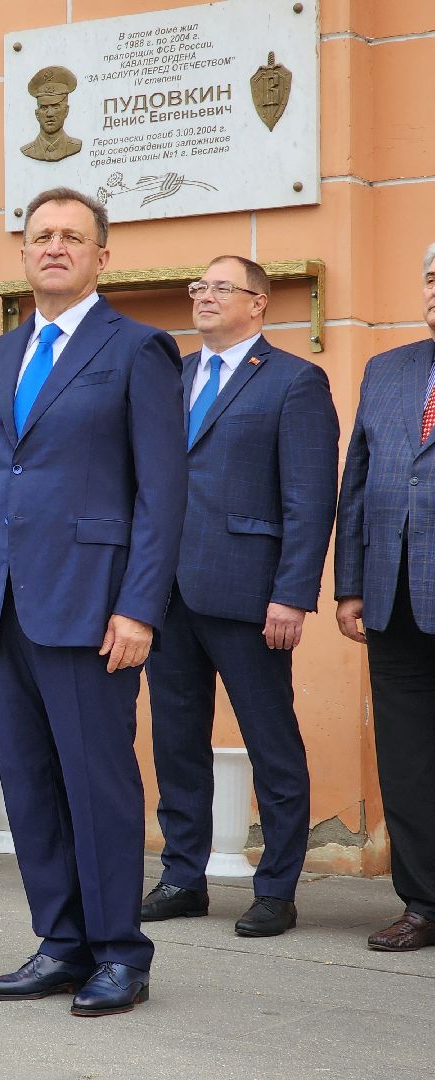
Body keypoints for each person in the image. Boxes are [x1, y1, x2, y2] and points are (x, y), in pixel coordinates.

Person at [0, 187, 185, 1017]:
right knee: (32, 786)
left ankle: (120, 952)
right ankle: (61, 942)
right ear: (22, 254)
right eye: (40, 235)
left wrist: (140, 608)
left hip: (91, 606)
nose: (53, 247)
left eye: (72, 237)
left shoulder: (138, 350)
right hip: (0, 606)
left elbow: (162, 492)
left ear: (101, 255)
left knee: (96, 784)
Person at [142, 257, 338, 938]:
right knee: (176, 742)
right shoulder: (173, 378)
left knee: (270, 741)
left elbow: (310, 499)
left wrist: (292, 594)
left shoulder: (293, 381)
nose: (203, 297)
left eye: (220, 287)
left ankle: (277, 888)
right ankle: (182, 877)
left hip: (250, 595)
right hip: (167, 593)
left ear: (259, 304)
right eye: (197, 287)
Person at [334, 242, 435, 952]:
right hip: (394, 598)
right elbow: (357, 483)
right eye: (431, 277)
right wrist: (348, 586)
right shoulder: (387, 370)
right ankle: (423, 902)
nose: (434, 290)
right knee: (407, 761)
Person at [20, 66, 82, 162]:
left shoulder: (75, 146)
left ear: (66, 111)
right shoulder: (28, 150)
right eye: (44, 107)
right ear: (37, 114)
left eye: (56, 107)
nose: (50, 114)